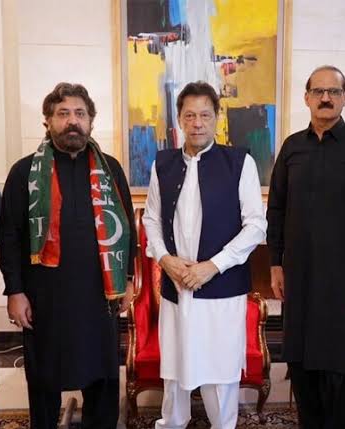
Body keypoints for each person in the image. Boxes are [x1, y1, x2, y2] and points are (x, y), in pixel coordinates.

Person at [0, 82, 136, 429]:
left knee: (102, 376)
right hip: (45, 297)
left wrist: (128, 279)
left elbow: (126, 229)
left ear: (90, 121)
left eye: (79, 113)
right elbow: (10, 235)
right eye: (63, 114)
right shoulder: (24, 172)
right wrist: (15, 291)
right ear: (47, 121)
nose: (72, 121)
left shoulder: (111, 170)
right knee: (44, 376)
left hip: (99, 295)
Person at [267, 65, 345, 428]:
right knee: (304, 372)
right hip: (301, 281)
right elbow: (276, 208)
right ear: (306, 98)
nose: (325, 98)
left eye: (333, 92)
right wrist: (275, 263)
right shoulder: (292, 147)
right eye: (318, 91)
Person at [142, 81, 266, 429]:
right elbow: (151, 218)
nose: (197, 123)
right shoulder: (163, 163)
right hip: (176, 285)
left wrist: (213, 266)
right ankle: (172, 423)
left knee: (220, 371)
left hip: (221, 288)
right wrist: (165, 259)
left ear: (216, 118)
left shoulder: (239, 162)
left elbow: (256, 225)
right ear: (179, 119)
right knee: (175, 370)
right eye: (190, 115)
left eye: (205, 115)